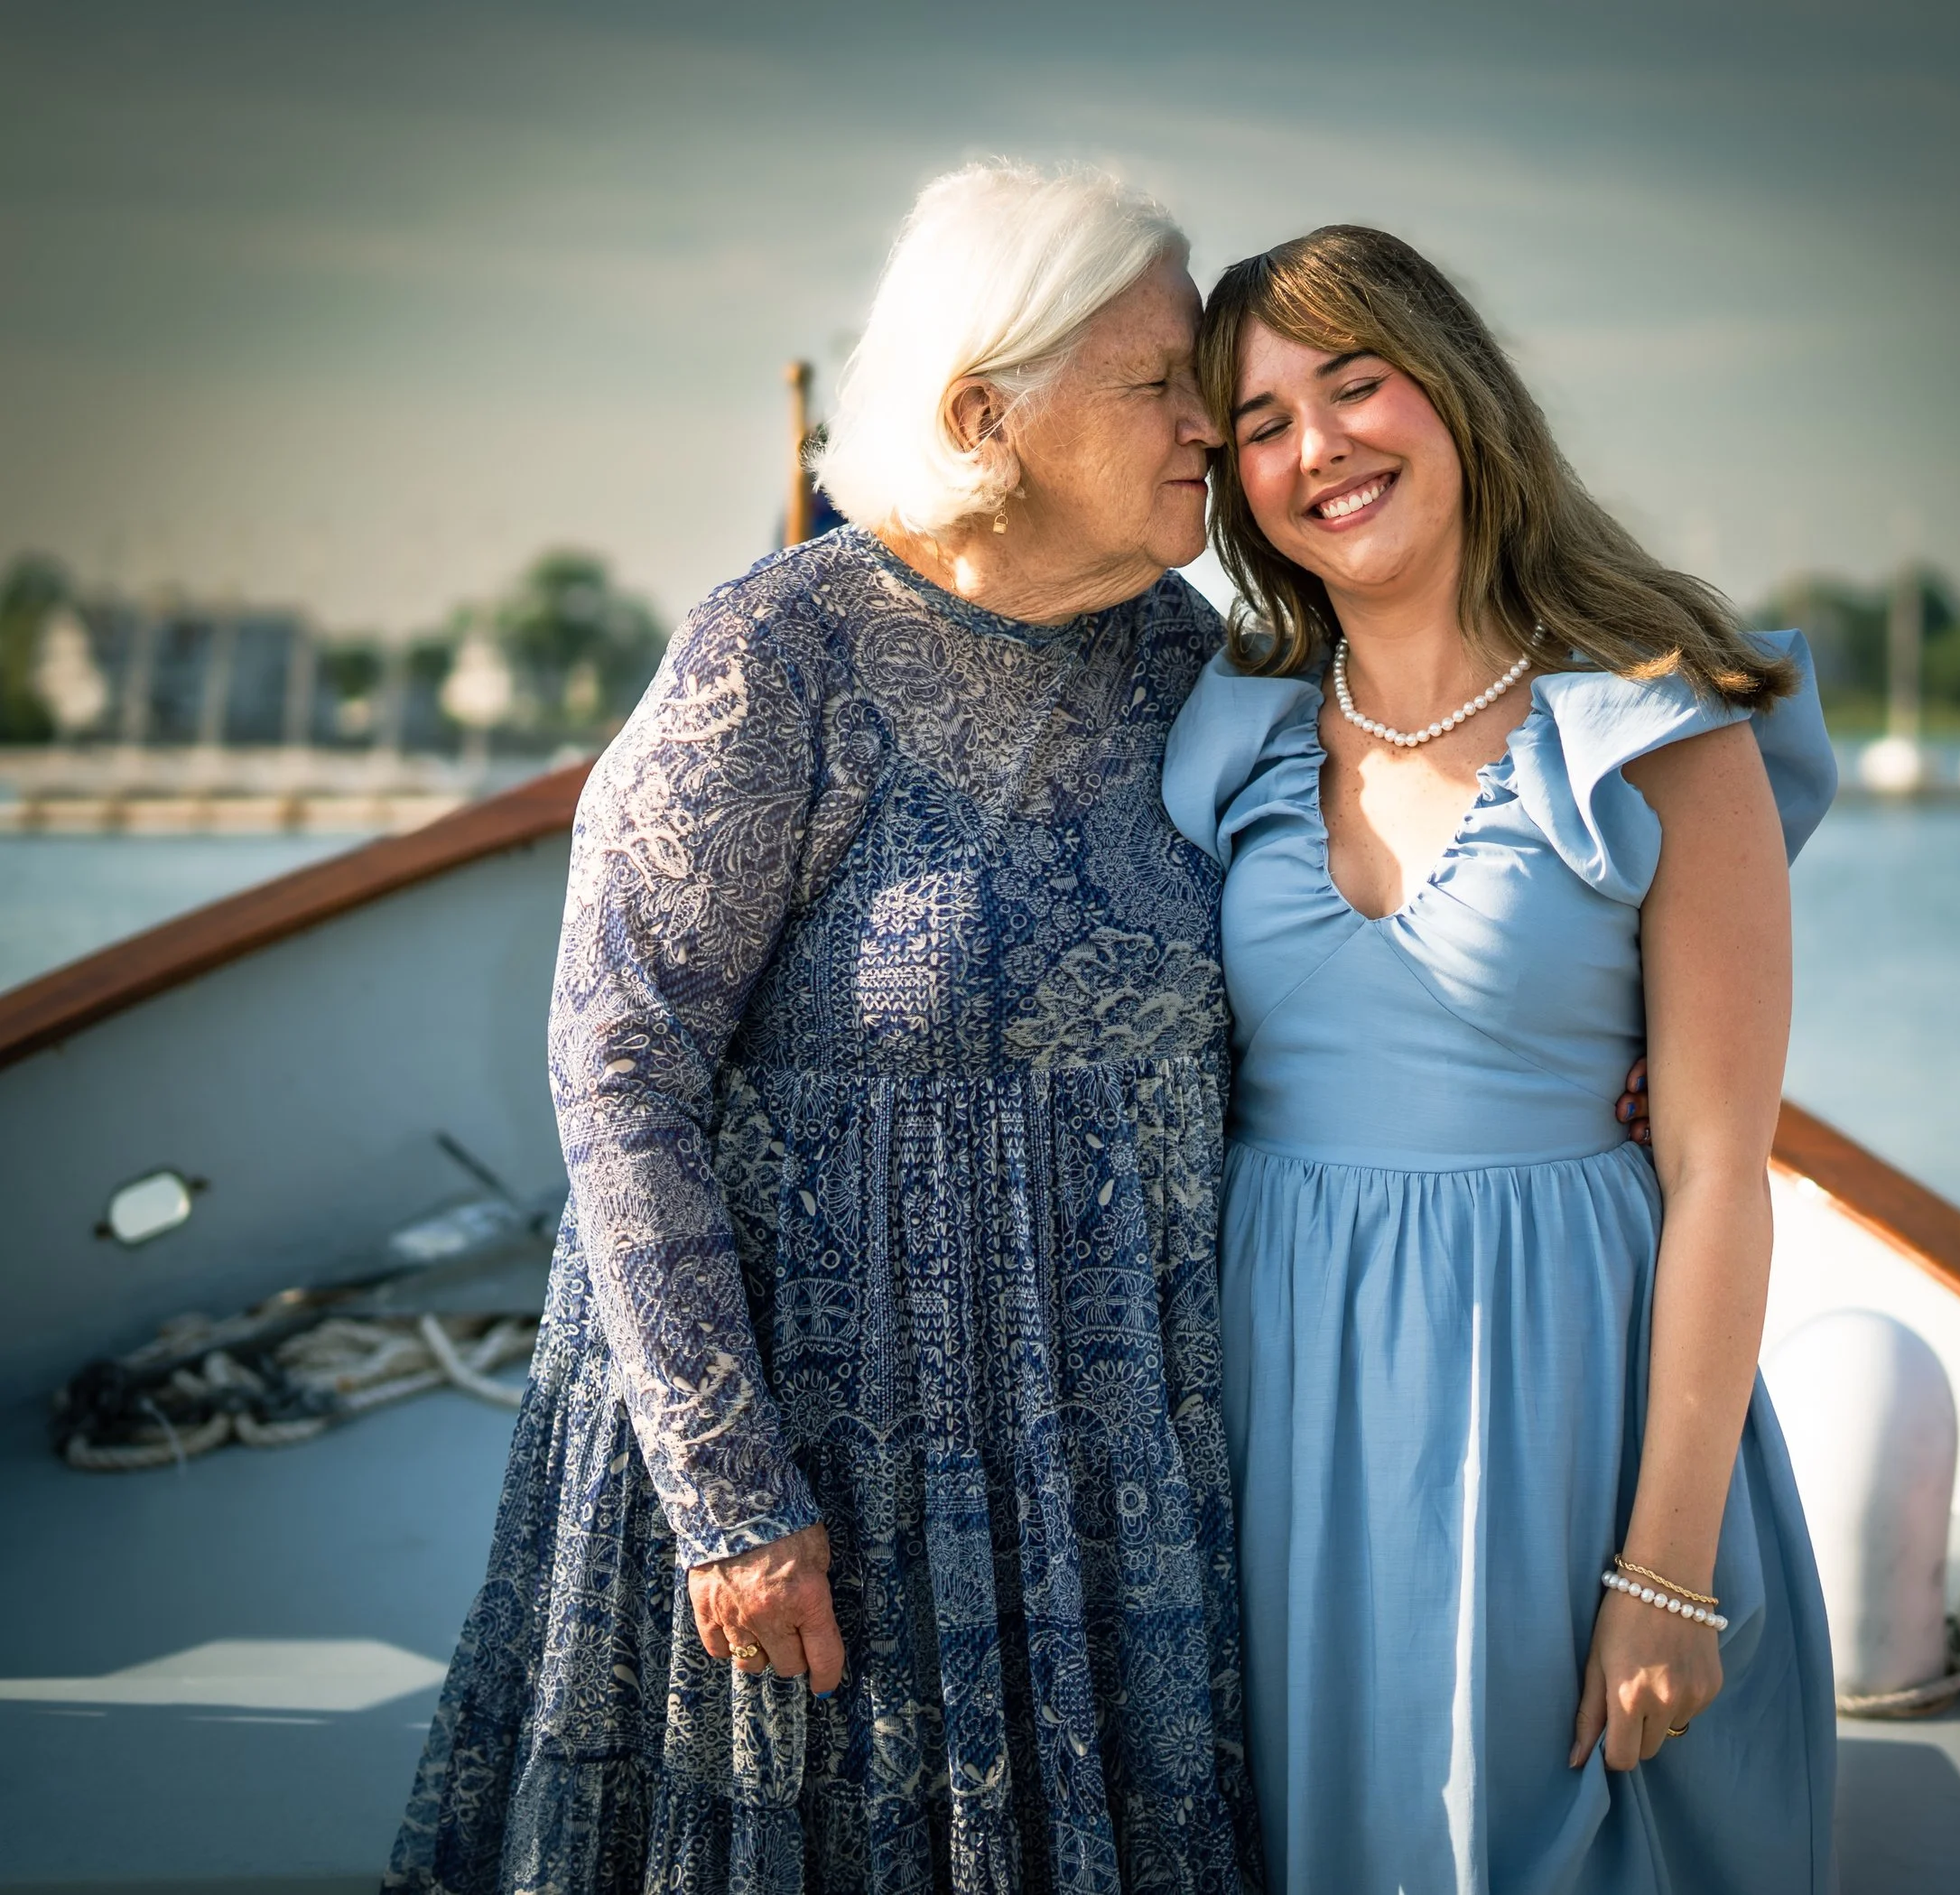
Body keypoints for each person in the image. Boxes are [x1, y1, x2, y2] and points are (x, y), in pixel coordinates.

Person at [385, 162, 1265, 1895]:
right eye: (1160, 379)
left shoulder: (1198, 663)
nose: (1213, 423)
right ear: (981, 413)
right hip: (817, 1458)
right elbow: (619, 1063)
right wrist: (728, 1491)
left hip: (1110, 1463)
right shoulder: (773, 654)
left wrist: (1582, 1041)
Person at [1163, 226, 1838, 1891]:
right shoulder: (1219, 736)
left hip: (1564, 1387)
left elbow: (1716, 1171)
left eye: (1354, 382)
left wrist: (1668, 1566)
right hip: (1279, 1393)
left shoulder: (1657, 735)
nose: (1315, 447)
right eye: (1257, 423)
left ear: (1454, 392)